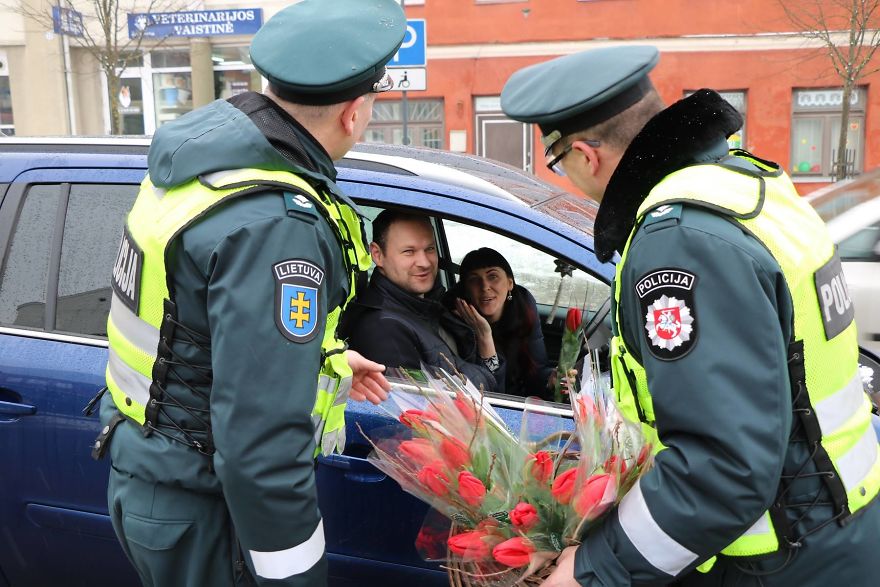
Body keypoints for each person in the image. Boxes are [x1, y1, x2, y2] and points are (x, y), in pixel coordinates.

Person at [501, 46, 880, 586]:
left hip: (778, 560)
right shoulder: (747, 184)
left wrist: (590, 570)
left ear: (587, 155)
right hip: (837, 529)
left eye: (559, 163)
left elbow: (721, 469)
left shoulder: (678, 242)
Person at [92, 2, 406, 585]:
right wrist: (296, 577)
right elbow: (260, 448)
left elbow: (196, 324)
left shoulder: (200, 170)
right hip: (208, 509)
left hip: (151, 476)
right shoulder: (276, 223)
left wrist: (321, 355)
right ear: (355, 112)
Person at [341, 210, 502, 393]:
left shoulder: (429, 307)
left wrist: (483, 338)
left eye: (430, 249)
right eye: (409, 252)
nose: (424, 262)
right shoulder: (384, 330)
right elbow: (422, 411)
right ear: (377, 255)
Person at [452, 247, 552, 398]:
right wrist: (484, 336)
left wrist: (551, 379)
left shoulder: (523, 306)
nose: (485, 286)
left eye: (492, 276)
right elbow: (489, 392)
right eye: (474, 279)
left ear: (510, 283)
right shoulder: (456, 322)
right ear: (466, 290)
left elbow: (537, 370)